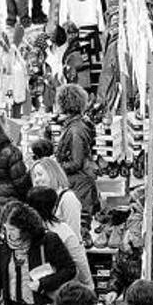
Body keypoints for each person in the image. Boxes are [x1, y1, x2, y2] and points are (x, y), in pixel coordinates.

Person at [0, 202, 77, 305]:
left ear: (24, 228)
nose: (8, 233)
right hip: (12, 304)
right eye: (5, 228)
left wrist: (42, 284)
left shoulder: (48, 240)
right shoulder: (4, 242)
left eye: (12, 229)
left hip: (41, 304)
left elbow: (69, 269)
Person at [26, 187, 94, 289]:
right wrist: (89, 284)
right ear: (53, 207)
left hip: (30, 286)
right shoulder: (63, 231)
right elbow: (79, 259)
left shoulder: (23, 229)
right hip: (59, 288)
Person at [55, 84, 98, 236]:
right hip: (81, 182)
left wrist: (56, 166)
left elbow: (76, 162)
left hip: (79, 184)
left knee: (78, 228)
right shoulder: (76, 125)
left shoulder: (75, 130)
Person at [30, 157, 82, 237]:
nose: (36, 180)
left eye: (40, 174)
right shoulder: (40, 200)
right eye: (34, 176)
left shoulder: (68, 198)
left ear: (53, 174)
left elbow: (73, 234)